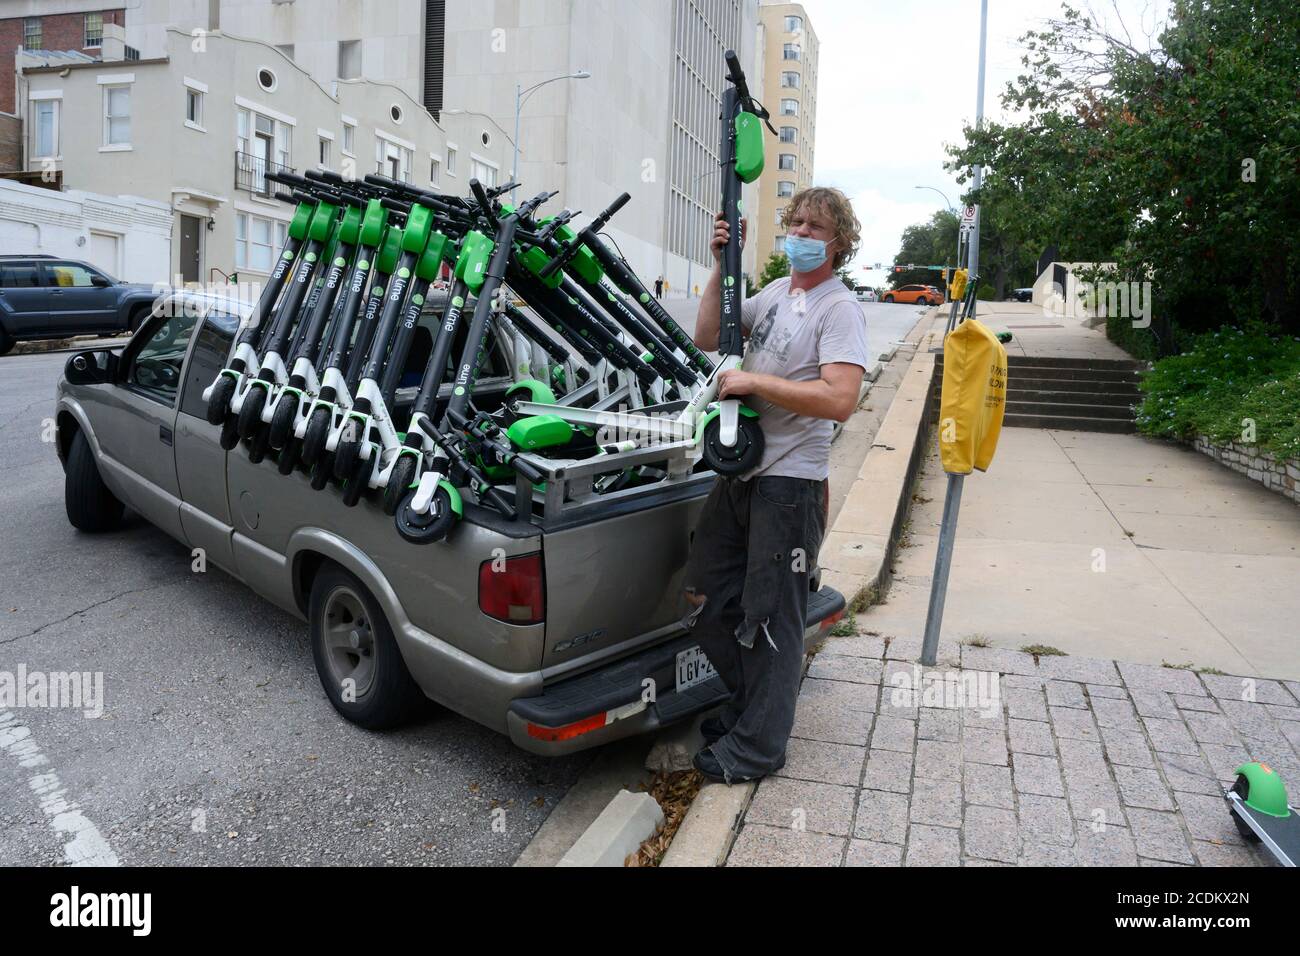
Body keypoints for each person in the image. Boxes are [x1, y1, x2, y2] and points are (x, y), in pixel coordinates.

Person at [684, 186, 869, 784]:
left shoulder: (838, 309)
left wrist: (756, 386)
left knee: (771, 616)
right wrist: (721, 265)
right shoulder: (776, 295)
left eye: (816, 227)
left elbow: (841, 399)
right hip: (742, 474)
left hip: (789, 485)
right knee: (708, 594)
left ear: (838, 243)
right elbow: (709, 337)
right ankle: (749, 710)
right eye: (796, 221)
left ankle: (758, 747)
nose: (802, 232)